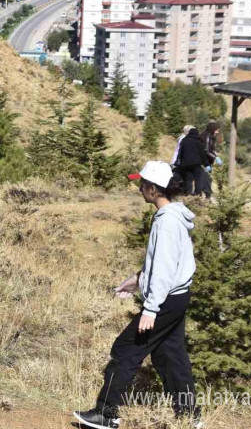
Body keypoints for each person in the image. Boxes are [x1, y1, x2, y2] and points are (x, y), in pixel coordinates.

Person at [74, 161, 201, 429]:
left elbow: (165, 269)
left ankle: (105, 413)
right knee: (171, 353)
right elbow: (165, 263)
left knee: (126, 350)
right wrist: (137, 280)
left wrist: (151, 308)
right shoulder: (174, 215)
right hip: (177, 297)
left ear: (154, 190)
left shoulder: (166, 223)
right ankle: (189, 416)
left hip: (165, 300)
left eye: (143, 184)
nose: (139, 188)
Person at [175, 127, 208, 196]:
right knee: (198, 180)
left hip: (186, 164)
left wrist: (178, 162)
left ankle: (188, 194)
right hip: (196, 164)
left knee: (188, 180)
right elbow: (202, 154)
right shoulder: (199, 142)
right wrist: (206, 164)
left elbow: (180, 152)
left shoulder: (184, 141)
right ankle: (198, 194)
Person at [198, 122, 221, 198]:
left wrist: (215, 155)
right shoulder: (206, 136)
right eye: (216, 130)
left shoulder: (211, 136)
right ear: (212, 129)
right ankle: (199, 197)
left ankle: (207, 196)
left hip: (208, 161)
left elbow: (211, 149)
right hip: (204, 161)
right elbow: (206, 150)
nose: (217, 132)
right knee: (203, 179)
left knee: (208, 179)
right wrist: (215, 157)